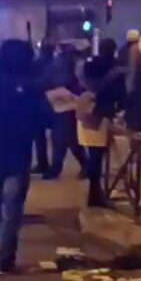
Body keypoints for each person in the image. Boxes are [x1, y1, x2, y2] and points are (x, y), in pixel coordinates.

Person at [0, 39, 54, 274]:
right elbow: (47, 118)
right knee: (11, 210)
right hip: (19, 154)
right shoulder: (31, 87)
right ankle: (4, 260)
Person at [76, 40, 124, 208]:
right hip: (102, 114)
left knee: (93, 154)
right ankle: (95, 195)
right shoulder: (116, 69)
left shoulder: (88, 65)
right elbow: (120, 94)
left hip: (86, 112)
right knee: (98, 156)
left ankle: (94, 192)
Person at [42, 46, 87, 180]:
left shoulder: (57, 65)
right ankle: (85, 165)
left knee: (62, 138)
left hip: (60, 104)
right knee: (70, 139)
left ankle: (57, 168)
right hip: (70, 104)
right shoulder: (73, 66)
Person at [31, 41, 56, 175]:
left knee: (39, 135)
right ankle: (48, 165)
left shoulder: (38, 63)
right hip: (55, 101)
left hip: (40, 102)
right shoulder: (56, 63)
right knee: (62, 137)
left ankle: (43, 163)